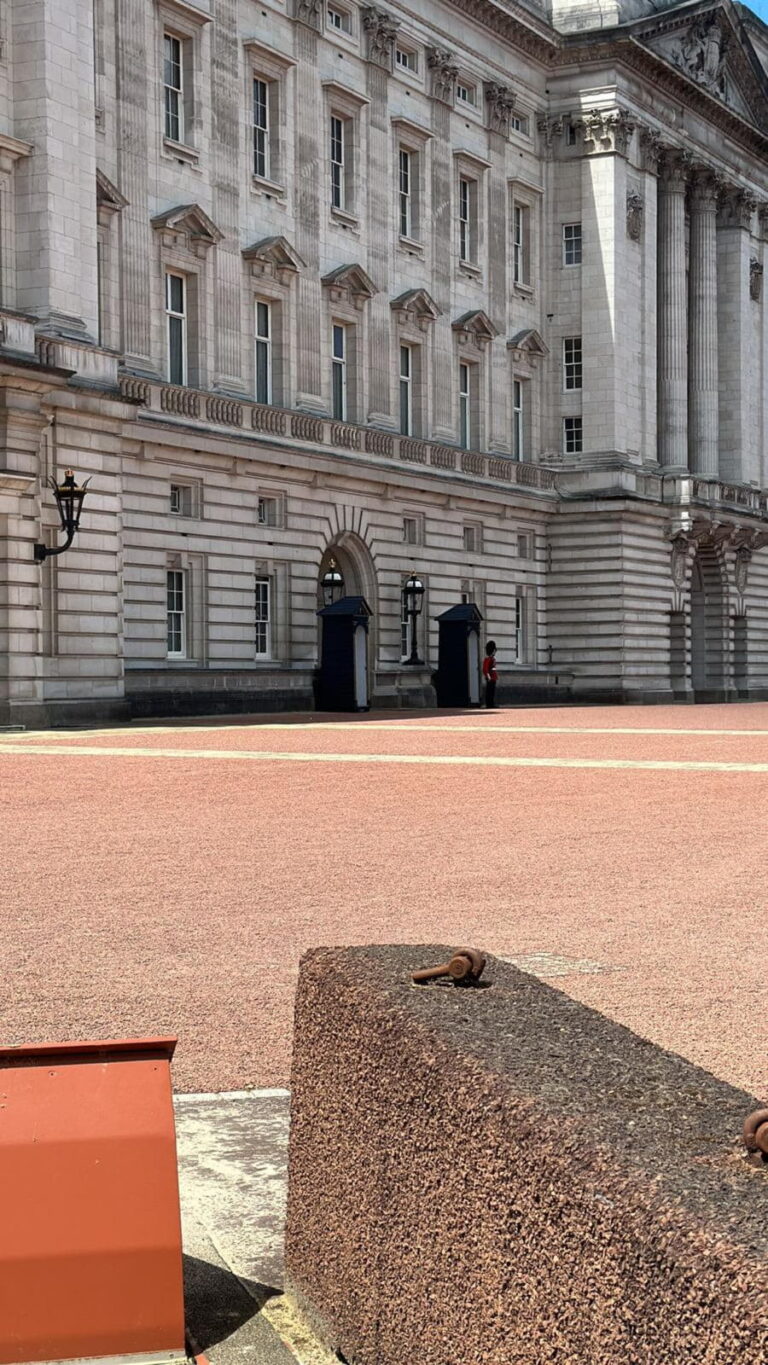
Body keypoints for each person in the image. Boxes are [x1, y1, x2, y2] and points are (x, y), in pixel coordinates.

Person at [482, 640, 498, 709]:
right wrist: (489, 678)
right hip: (490, 678)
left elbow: (493, 669)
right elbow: (485, 669)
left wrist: (494, 676)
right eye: (494, 650)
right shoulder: (488, 659)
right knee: (489, 692)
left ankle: (491, 703)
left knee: (492, 692)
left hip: (493, 678)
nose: (495, 652)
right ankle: (489, 704)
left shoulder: (492, 659)